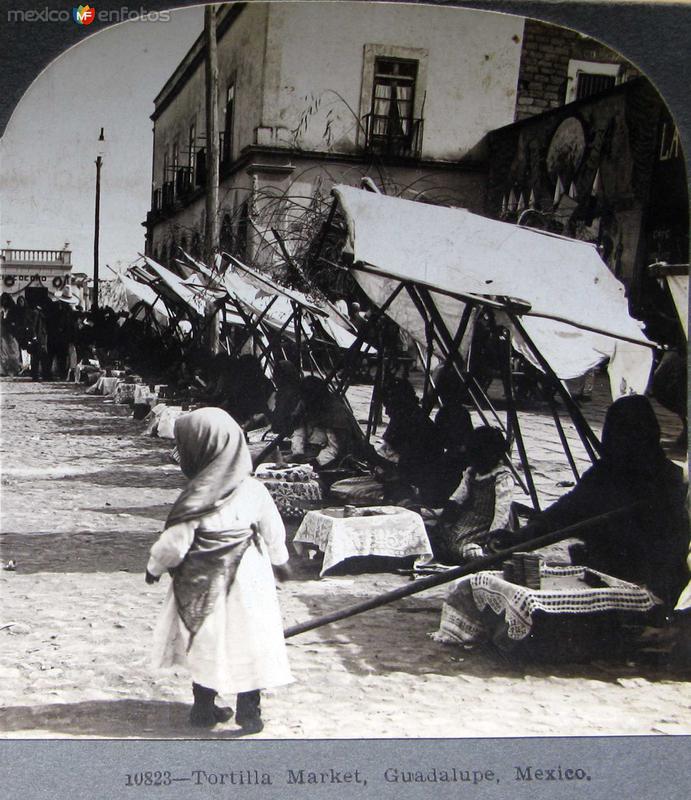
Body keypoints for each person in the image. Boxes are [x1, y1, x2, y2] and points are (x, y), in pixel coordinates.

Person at [145, 408, 293, 732]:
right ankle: (249, 710)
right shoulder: (254, 489)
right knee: (250, 638)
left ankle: (203, 707)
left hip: (203, 582)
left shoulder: (195, 497)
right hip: (250, 576)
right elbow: (273, 529)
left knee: (206, 640)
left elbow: (175, 543)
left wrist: (154, 567)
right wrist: (280, 561)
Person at [493, 395, 689, 610]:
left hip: (649, 579)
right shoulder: (605, 473)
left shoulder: (670, 480)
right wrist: (517, 539)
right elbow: (563, 513)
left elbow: (672, 550)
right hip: (606, 568)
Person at [430, 426, 515, 564]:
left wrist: (492, 537)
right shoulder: (472, 472)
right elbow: (458, 497)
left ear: (492, 456)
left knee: (462, 546)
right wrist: (445, 517)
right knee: (445, 539)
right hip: (470, 518)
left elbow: (501, 513)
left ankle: (479, 554)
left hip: (488, 522)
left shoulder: (502, 477)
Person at [290, 376, 357, 468]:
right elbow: (299, 431)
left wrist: (315, 463)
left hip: (329, 460)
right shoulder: (305, 405)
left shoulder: (334, 412)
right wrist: (297, 453)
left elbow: (335, 448)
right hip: (308, 454)